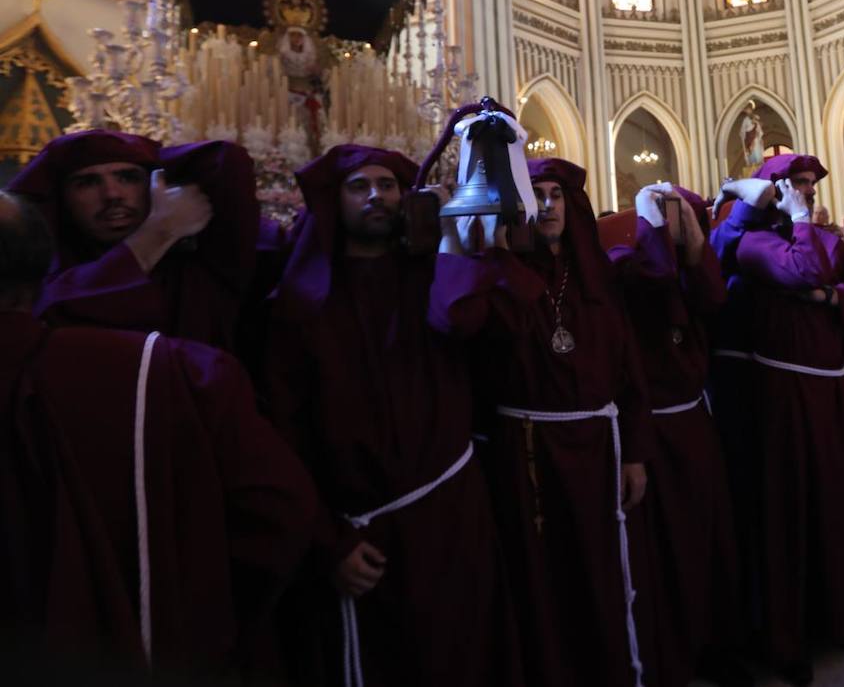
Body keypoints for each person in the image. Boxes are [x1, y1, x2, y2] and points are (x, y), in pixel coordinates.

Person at [0, 190, 316, 675]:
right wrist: (196, 614)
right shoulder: (177, 371)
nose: (111, 196)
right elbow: (279, 513)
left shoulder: (172, 367)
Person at [264, 145, 520, 687]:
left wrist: (459, 243)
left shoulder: (435, 278)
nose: (376, 195)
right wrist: (325, 540)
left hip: (450, 515)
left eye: (388, 184)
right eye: (359, 186)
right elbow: (282, 432)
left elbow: (485, 337)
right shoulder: (300, 302)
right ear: (336, 201)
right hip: (359, 535)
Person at [431, 156, 652, 687]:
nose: (548, 206)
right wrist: (498, 252)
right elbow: (455, 323)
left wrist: (638, 453)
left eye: (556, 195)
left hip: (600, 447)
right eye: (538, 196)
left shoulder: (596, 278)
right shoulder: (503, 274)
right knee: (540, 576)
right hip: (526, 451)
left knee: (600, 570)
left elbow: (629, 372)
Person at [711, 154, 844, 685]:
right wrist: (817, 269)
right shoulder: (754, 243)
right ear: (772, 191)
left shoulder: (826, 236)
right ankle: (786, 639)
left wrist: (832, 296)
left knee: (838, 506)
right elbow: (802, 267)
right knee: (787, 512)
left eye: (810, 184)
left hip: (830, 394)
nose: (806, 192)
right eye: (796, 184)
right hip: (782, 397)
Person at [608, 183, 748, 687]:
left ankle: (717, 644)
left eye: (681, 212)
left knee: (709, 535)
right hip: (646, 425)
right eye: (665, 212)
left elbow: (712, 299)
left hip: (692, 419)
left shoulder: (690, 270)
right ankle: (669, 653)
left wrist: (694, 246)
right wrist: (652, 231)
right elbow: (651, 277)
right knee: (662, 549)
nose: (672, 219)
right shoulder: (627, 261)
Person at [6, 129, 261, 352]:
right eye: (87, 182)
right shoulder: (48, 277)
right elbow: (53, 312)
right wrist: (156, 233)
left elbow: (227, 159)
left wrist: (157, 164)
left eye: (128, 177)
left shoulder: (198, 267)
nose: (112, 194)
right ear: (63, 201)